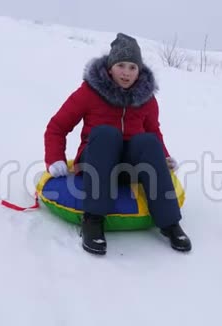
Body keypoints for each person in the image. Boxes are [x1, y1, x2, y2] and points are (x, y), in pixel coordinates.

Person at [44, 33, 191, 255]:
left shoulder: (146, 99)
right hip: (95, 162)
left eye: (132, 67)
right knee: (106, 134)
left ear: (139, 70)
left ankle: (170, 223)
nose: (126, 72)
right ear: (110, 67)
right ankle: (93, 220)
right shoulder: (89, 92)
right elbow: (57, 126)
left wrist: (164, 155)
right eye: (121, 65)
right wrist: (55, 158)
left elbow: (154, 131)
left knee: (147, 140)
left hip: (128, 168)